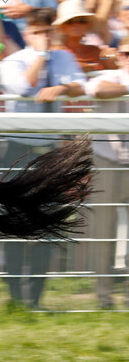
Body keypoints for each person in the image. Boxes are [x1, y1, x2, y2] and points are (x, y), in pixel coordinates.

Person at [0, 7, 87, 309]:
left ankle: (35, 299)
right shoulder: (12, 62)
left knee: (45, 226)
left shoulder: (65, 58)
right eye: (37, 32)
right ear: (26, 34)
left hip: (50, 152)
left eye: (47, 31)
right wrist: (40, 56)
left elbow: (80, 86)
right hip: (17, 152)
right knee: (14, 224)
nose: (43, 37)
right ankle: (14, 296)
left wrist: (61, 86)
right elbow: (23, 87)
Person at [79, 36, 129, 309]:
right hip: (107, 161)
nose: (128, 58)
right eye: (126, 53)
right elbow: (96, 90)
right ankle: (103, 296)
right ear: (119, 55)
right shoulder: (106, 76)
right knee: (103, 231)